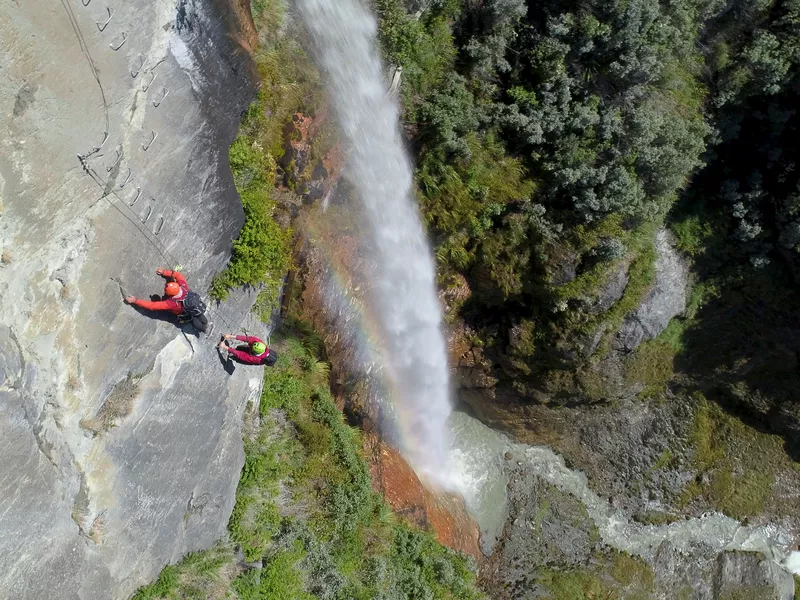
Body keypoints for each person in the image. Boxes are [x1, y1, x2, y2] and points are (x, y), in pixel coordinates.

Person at [124, 267, 210, 333]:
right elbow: (178, 275)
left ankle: (203, 329)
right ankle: (205, 323)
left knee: (193, 320)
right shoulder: (183, 286)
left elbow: (152, 306)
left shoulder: (170, 303)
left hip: (184, 312)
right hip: (193, 306)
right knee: (198, 314)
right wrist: (164, 272)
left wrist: (135, 301)